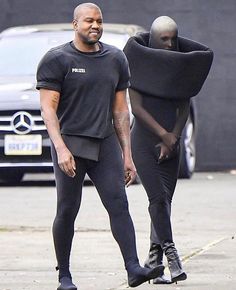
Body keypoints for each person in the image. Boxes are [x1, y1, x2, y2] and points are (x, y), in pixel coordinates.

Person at [36, 3, 163, 290]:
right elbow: (48, 111)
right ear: (75, 24)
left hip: (104, 144)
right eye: (89, 21)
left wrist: (127, 155)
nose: (95, 25)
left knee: (119, 203)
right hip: (70, 144)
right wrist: (61, 149)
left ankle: (133, 268)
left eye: (99, 21)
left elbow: (121, 111)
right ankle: (64, 276)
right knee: (68, 209)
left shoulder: (115, 59)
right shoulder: (56, 59)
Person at [124, 16, 213, 284]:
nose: (170, 43)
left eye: (173, 38)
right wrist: (163, 135)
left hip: (170, 144)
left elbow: (184, 104)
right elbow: (137, 108)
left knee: (165, 203)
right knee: (158, 200)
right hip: (144, 143)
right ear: (152, 38)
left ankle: (154, 261)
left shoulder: (178, 69)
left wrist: (173, 136)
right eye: (164, 38)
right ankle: (172, 256)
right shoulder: (138, 63)